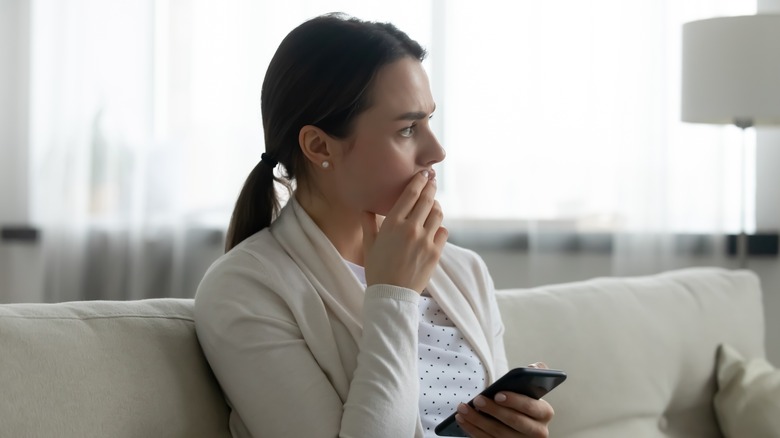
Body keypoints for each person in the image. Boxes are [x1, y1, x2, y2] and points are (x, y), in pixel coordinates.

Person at [194, 13, 555, 438]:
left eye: (429, 122)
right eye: (407, 128)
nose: (436, 151)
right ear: (319, 145)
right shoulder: (243, 290)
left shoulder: (463, 270)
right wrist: (393, 296)